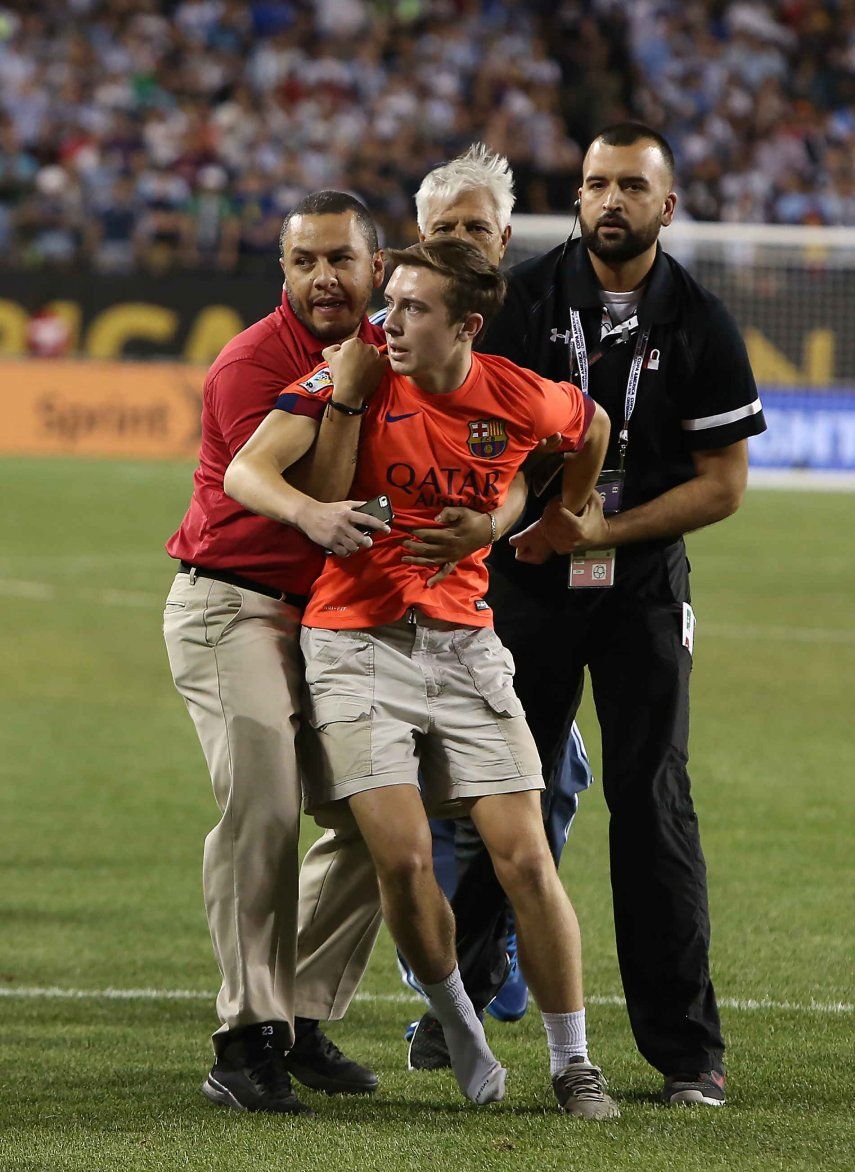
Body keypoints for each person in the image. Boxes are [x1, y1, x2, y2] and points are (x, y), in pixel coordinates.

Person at [412, 122, 767, 1108]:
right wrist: (530, 517)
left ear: (668, 203)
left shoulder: (699, 319)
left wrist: (605, 529)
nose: (611, 200)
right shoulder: (517, 300)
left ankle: (687, 1053)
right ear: (577, 200)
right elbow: (479, 436)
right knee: (498, 799)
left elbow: (726, 483)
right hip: (525, 583)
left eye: (631, 186)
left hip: (644, 590)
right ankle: (462, 1006)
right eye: (596, 183)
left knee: (652, 800)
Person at [224, 237, 619, 1118]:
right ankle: (459, 1030)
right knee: (402, 863)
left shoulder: (517, 393)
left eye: (410, 308)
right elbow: (250, 467)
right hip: (356, 643)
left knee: (525, 856)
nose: (385, 320)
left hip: (466, 645)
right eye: (388, 301)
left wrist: (548, 514)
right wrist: (322, 487)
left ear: (465, 327)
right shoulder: (357, 372)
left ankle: (573, 1061)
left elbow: (588, 428)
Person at [163, 190, 395, 1114]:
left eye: (339, 258)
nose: (322, 277)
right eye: (304, 261)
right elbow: (290, 486)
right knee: (262, 812)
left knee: (382, 824)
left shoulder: (392, 351)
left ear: (376, 268)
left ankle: (293, 1016)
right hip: (234, 609)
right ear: (283, 272)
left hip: (327, 626)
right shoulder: (252, 365)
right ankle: (244, 1037)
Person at [378, 144, 595, 1029]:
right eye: (443, 229)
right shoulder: (395, 327)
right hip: (420, 593)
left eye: (476, 227)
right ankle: (444, 982)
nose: (461, 239)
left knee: (558, 775)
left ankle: (484, 950)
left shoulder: (537, 319)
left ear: (504, 237)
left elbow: (550, 438)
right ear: (418, 238)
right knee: (443, 802)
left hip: (517, 577)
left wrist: (513, 518)